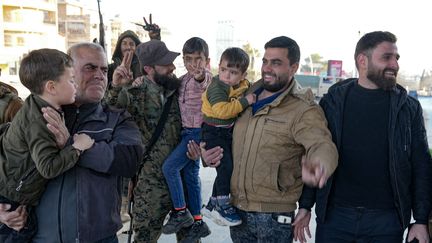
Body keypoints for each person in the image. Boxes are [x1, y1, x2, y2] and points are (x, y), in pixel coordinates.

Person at [296, 31, 432, 243]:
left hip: (387, 221)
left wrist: (421, 220)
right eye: (386, 57)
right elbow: (315, 152)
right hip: (335, 218)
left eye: (396, 58)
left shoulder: (409, 108)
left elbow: (421, 165)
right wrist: (305, 206)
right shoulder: (333, 102)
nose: (394, 64)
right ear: (362, 60)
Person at [199, 36, 338, 243]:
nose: (267, 68)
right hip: (236, 211)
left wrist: (320, 164)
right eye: (265, 61)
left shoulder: (303, 108)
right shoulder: (244, 94)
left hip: (273, 217)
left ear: (293, 67)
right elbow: (220, 130)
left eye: (276, 62)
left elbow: (321, 144)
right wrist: (206, 154)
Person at [11, 42, 143, 243]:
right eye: (90, 68)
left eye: (104, 69)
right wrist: (4, 209)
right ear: (66, 73)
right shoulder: (36, 115)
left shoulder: (116, 119)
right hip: (39, 237)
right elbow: (8, 158)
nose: (100, 75)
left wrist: (72, 146)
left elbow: (130, 160)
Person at [0, 48, 95, 243]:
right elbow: (48, 167)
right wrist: (77, 147)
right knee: (24, 231)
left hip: (12, 188)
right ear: (51, 87)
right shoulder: (40, 120)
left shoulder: (38, 104)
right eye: (70, 80)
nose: (75, 84)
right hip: (11, 198)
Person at [106, 39, 185, 243]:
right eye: (166, 64)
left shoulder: (181, 91)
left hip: (183, 183)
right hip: (151, 187)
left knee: (190, 238)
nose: (172, 67)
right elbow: (110, 109)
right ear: (149, 69)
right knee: (144, 239)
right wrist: (116, 86)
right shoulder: (135, 94)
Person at [161, 37, 212, 239]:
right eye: (188, 59)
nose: (193, 64)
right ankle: (198, 221)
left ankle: (181, 211)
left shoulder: (205, 77)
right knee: (191, 177)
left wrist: (201, 76)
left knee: (170, 168)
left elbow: (205, 82)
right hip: (186, 132)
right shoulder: (183, 79)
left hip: (195, 133)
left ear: (206, 60)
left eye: (198, 59)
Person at [200, 47, 256, 226]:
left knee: (226, 166)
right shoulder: (217, 87)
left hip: (223, 132)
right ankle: (223, 205)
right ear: (218, 67)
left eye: (233, 73)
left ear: (242, 74)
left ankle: (212, 204)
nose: (226, 75)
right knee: (226, 168)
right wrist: (245, 102)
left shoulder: (239, 84)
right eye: (223, 70)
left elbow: (244, 87)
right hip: (213, 131)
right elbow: (221, 110)